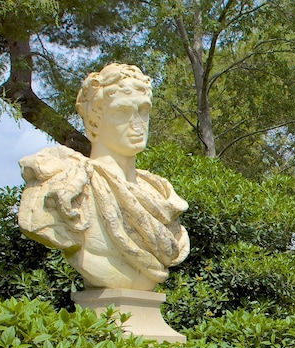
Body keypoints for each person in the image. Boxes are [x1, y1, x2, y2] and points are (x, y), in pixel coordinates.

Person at [19, 63, 190, 291]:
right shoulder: (65, 185)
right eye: (123, 112)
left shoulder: (158, 193)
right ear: (94, 122)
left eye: (144, 110)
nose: (138, 123)